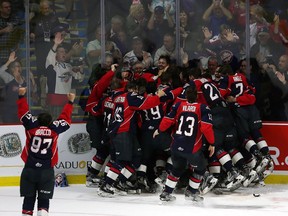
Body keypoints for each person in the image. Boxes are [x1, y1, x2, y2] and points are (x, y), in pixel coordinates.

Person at [17, 86, 75, 216]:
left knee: (28, 200)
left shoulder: (31, 127)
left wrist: (21, 97)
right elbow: (65, 119)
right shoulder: (54, 130)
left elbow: (23, 114)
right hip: (46, 170)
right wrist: (70, 102)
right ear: (50, 122)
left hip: (29, 169)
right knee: (44, 201)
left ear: (37, 121)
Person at [153, 86, 215, 202]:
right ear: (197, 96)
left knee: (177, 169)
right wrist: (212, 143)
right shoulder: (203, 108)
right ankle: (191, 193)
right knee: (200, 169)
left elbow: (167, 120)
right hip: (192, 148)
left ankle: (166, 193)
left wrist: (159, 130)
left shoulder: (178, 105)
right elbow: (206, 128)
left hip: (176, 145)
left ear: (185, 96)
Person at [45, 32, 84, 119]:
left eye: (65, 51)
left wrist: (81, 70)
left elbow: (79, 78)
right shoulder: (52, 66)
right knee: (55, 121)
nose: (64, 53)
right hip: (55, 100)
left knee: (65, 122)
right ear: (56, 54)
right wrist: (55, 44)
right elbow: (49, 58)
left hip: (66, 99)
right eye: (61, 51)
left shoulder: (69, 67)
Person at [0, 0, 24, 64]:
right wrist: (3, 30)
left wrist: (19, 42)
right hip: (1, 51)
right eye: (6, 7)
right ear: (1, 9)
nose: (9, 8)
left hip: (13, 51)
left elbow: (22, 31)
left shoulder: (15, 18)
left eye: (9, 7)